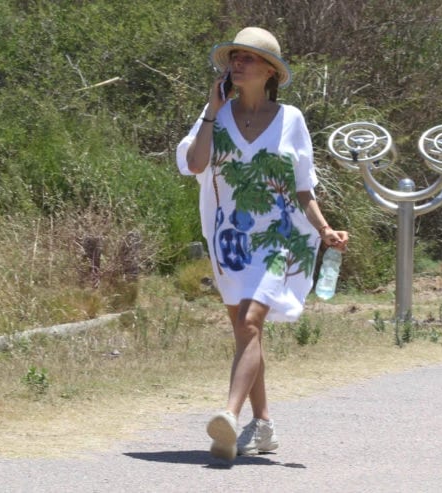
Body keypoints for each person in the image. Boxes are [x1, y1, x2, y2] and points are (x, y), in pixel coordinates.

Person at [176, 26, 349, 461]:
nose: (238, 63)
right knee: (245, 332)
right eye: (234, 57)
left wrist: (325, 229)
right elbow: (194, 164)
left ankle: (229, 418)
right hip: (229, 237)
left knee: (251, 322)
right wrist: (213, 111)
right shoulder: (215, 114)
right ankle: (265, 426)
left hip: (282, 235)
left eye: (249, 58)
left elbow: (304, 188)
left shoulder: (292, 120)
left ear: (270, 70)